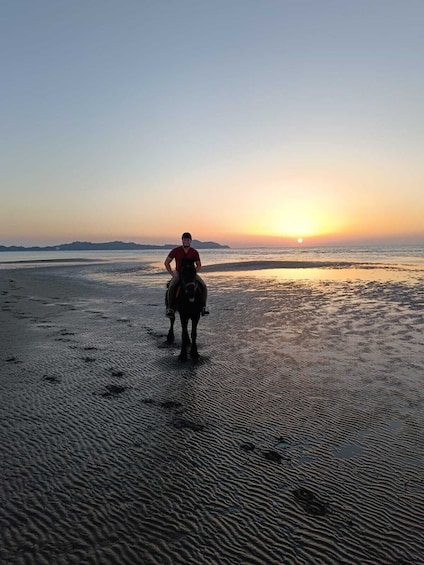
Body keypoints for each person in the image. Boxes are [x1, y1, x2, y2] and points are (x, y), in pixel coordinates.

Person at [165, 232, 209, 317]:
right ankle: (170, 308)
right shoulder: (176, 251)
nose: (186, 241)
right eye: (184, 239)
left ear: (190, 241)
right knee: (172, 286)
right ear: (182, 240)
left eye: (188, 240)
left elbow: (199, 265)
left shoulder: (194, 252)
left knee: (203, 286)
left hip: (191, 274)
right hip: (179, 273)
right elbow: (166, 262)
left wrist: (193, 273)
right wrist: (172, 273)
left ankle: (204, 307)